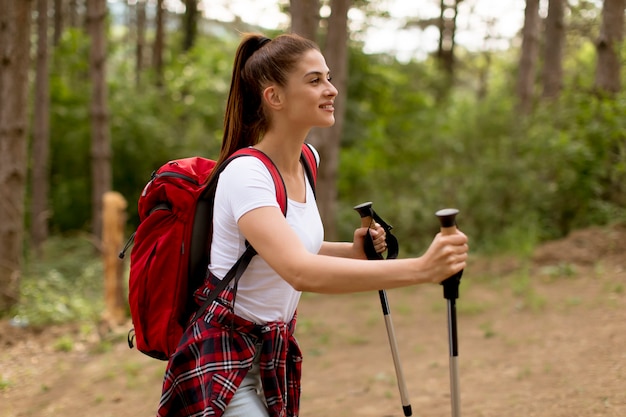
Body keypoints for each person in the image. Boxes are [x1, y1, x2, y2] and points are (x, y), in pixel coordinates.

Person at [156, 32, 469, 417]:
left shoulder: (307, 159)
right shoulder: (246, 174)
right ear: (275, 97)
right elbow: (299, 271)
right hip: (223, 355)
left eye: (329, 77)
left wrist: (354, 252)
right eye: (314, 80)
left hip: (273, 353)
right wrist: (423, 268)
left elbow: (285, 247)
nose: (331, 89)